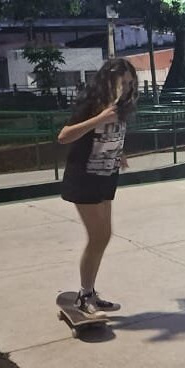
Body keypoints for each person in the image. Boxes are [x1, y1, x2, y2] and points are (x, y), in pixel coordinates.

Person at [57, 58, 138, 316]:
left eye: (130, 83)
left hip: (106, 176)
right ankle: (85, 295)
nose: (127, 88)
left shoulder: (121, 107)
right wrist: (98, 118)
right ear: (109, 80)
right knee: (97, 236)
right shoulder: (92, 103)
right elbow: (64, 136)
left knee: (104, 235)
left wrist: (119, 152)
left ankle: (89, 291)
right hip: (84, 177)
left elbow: (107, 135)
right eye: (123, 82)